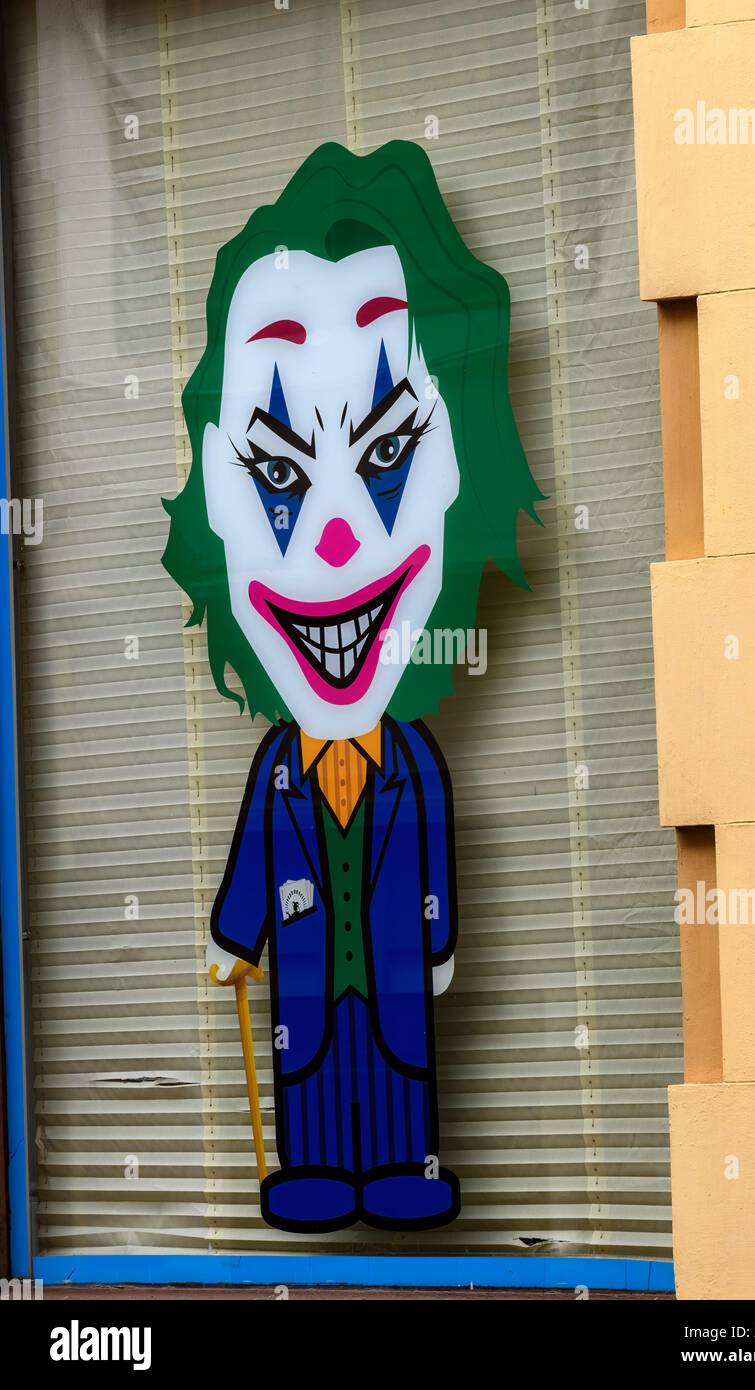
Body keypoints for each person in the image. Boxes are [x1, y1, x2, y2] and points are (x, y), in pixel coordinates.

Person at [162, 140, 539, 1232]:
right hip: (302, 1001)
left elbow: (428, 856)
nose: (332, 539)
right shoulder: (277, 771)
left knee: (399, 1076)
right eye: (277, 473)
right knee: (312, 1083)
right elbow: (251, 871)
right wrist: (237, 938)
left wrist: (437, 937)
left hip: (392, 981)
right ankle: (316, 1171)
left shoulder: (413, 761)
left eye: (386, 455)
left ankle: (408, 1169)